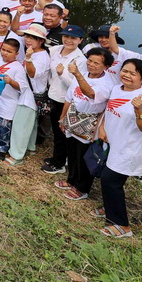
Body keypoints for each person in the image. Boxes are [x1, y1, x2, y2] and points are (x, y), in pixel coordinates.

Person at [96, 58, 142, 238]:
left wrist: (139, 111)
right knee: (111, 180)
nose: (127, 76)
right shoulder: (117, 89)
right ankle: (109, 208)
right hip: (112, 144)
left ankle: (121, 225)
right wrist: (102, 126)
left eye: (133, 73)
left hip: (129, 149)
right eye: (125, 71)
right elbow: (109, 110)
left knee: (110, 181)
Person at [54, 48, 115, 198]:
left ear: (106, 66)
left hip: (90, 121)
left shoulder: (107, 83)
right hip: (73, 115)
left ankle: (82, 188)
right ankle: (72, 179)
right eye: (90, 60)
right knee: (72, 151)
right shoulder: (82, 74)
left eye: (97, 63)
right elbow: (70, 97)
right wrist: (63, 118)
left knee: (85, 155)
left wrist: (77, 74)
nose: (91, 65)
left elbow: (90, 93)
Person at [40, 25, 88, 174]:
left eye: (73, 38)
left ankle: (59, 164)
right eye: (66, 36)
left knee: (61, 132)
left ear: (80, 40)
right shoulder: (56, 50)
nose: (68, 40)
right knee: (56, 130)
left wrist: (62, 74)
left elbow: (76, 86)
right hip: (52, 94)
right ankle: (59, 157)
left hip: (64, 99)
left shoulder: (80, 60)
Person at [6, 23, 53, 166]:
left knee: (21, 125)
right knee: (31, 124)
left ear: (41, 41)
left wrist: (28, 58)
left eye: (33, 38)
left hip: (30, 96)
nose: (28, 40)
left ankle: (17, 155)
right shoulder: (36, 53)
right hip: (31, 94)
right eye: (27, 36)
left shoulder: (40, 57)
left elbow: (32, 74)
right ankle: (30, 147)